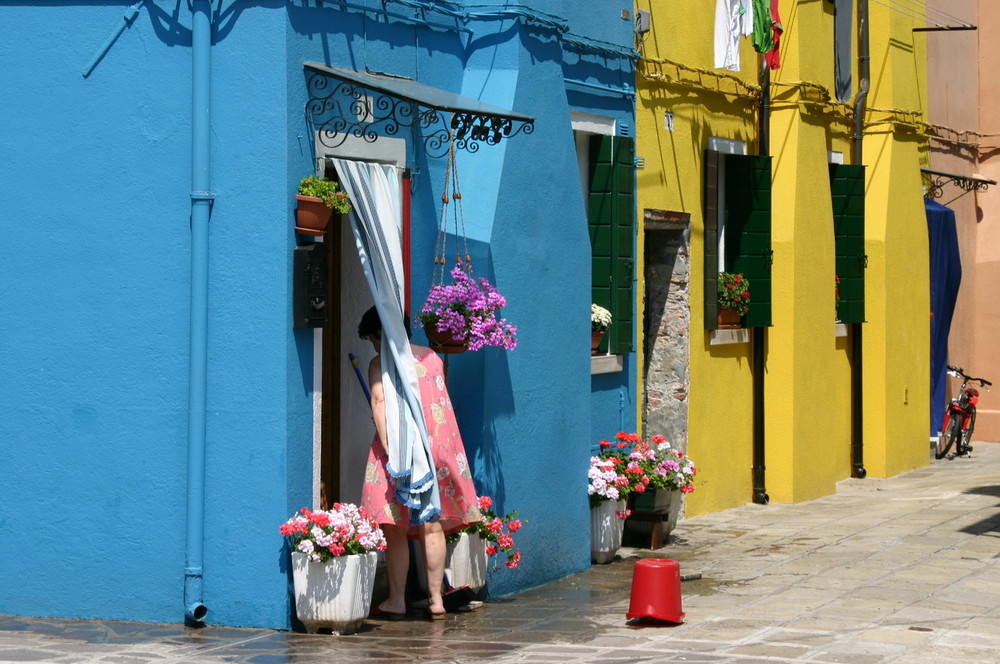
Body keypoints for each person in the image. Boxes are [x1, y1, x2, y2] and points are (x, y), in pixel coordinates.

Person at [357, 305, 481, 620]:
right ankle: (437, 599)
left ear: (381, 333)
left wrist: (390, 452)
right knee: (432, 523)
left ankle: (397, 599)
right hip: (439, 445)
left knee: (394, 527)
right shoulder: (432, 357)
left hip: (401, 449)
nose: (373, 346)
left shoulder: (379, 364)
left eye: (373, 339)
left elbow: (380, 403)